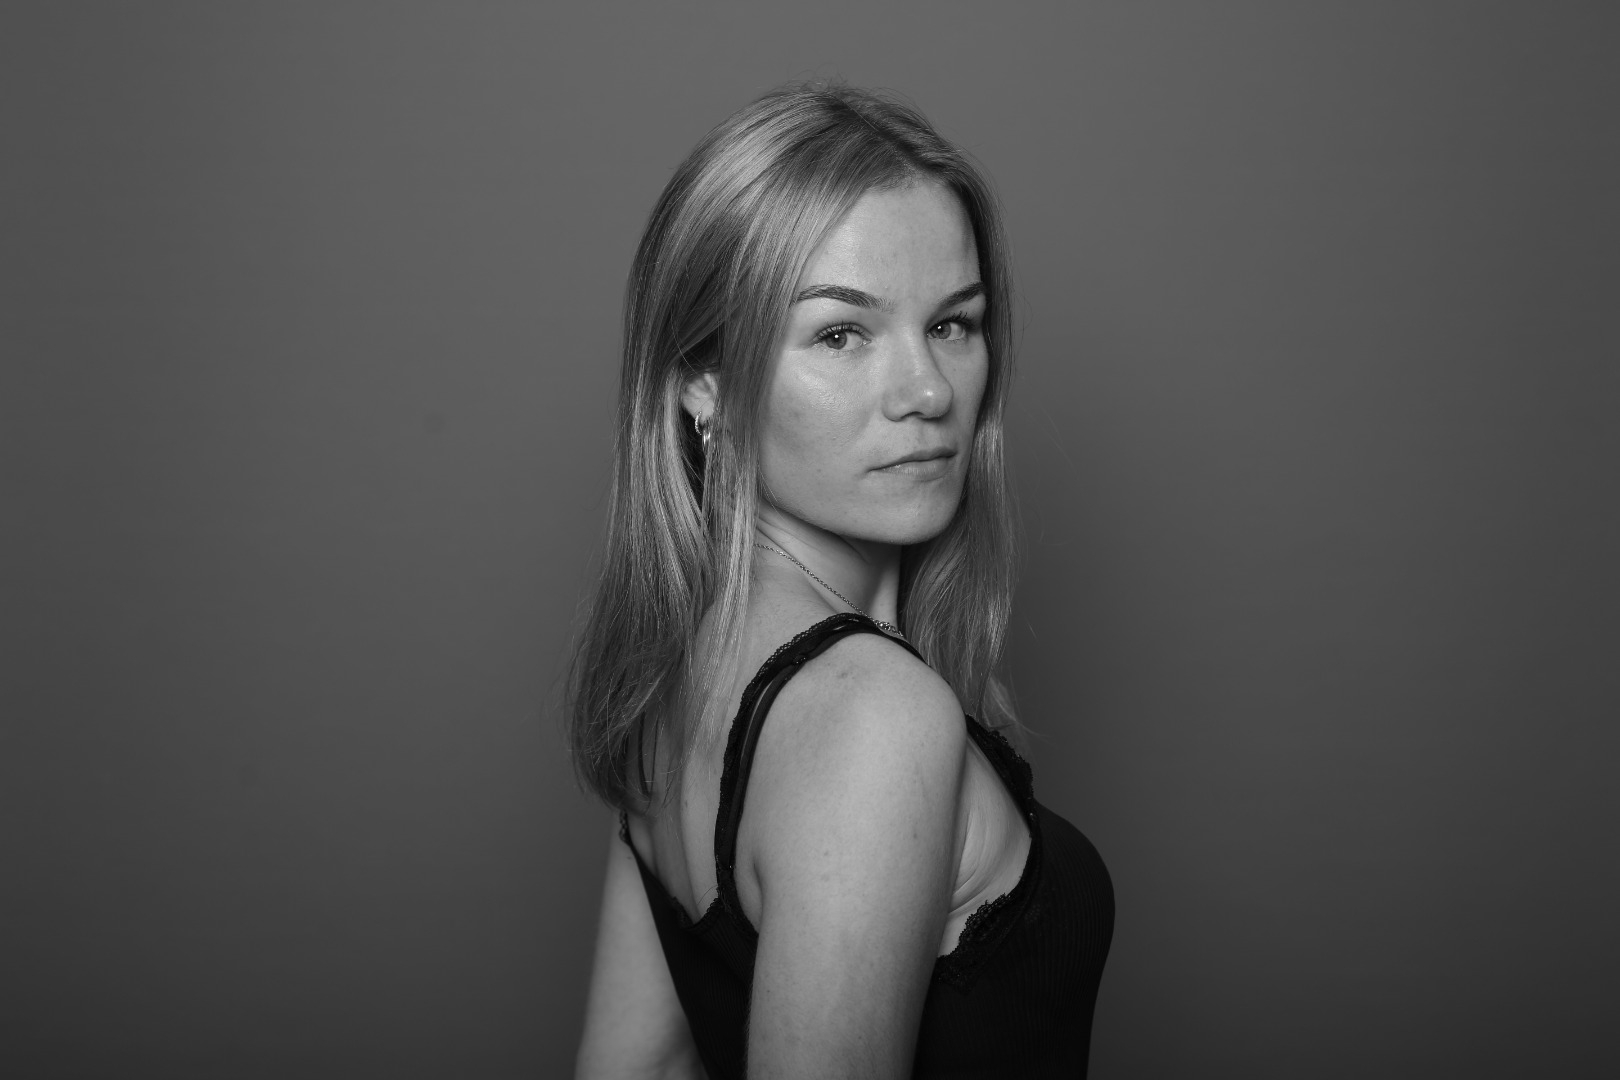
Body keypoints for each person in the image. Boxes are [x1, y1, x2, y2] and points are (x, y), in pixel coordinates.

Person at [571, 83, 1113, 1080]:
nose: (928, 391)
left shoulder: (677, 679)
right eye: (840, 334)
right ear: (703, 382)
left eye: (954, 324)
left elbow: (638, 1066)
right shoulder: (874, 716)